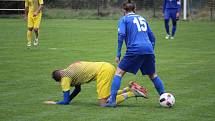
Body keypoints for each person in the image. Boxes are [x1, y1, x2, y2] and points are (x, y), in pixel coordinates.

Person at [105, 0, 166, 107]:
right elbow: (153, 37)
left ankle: (112, 101)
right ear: (135, 9)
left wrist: (118, 53)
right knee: (153, 75)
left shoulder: (124, 19)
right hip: (148, 49)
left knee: (119, 73)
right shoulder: (142, 18)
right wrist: (150, 50)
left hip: (135, 49)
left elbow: (121, 35)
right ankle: (164, 96)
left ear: (124, 10)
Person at [44, 61, 148, 107]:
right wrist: (68, 100)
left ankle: (133, 93)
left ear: (59, 80)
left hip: (103, 72)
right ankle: (128, 89)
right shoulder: (70, 69)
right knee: (107, 96)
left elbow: (66, 101)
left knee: (104, 103)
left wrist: (55, 103)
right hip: (106, 66)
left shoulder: (65, 79)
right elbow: (78, 89)